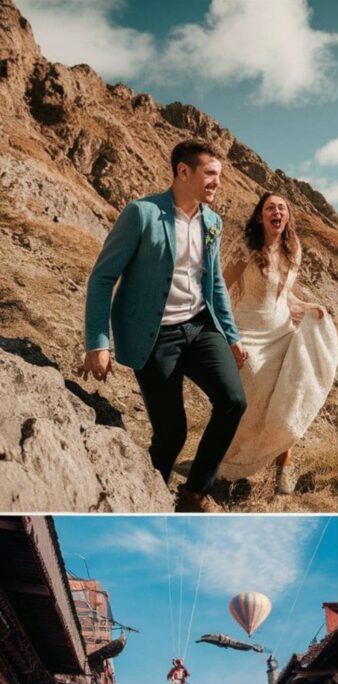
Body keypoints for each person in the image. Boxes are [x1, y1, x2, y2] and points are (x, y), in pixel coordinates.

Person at [82, 138, 248, 513]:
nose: (216, 183)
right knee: (172, 435)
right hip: (155, 336)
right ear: (183, 171)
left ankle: (193, 493)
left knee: (234, 401)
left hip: (200, 326)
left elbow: (215, 282)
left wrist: (231, 335)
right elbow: (102, 277)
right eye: (209, 174)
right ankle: (148, 493)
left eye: (219, 176)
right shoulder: (142, 214)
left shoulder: (212, 222)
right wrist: (97, 342)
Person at [220, 192, 338, 494]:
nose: (276, 212)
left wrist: (311, 307)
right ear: (260, 216)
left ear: (287, 217)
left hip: (282, 330)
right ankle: (230, 462)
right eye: (270, 207)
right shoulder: (247, 248)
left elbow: (285, 295)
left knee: (291, 393)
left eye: (281, 208)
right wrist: (228, 333)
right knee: (252, 395)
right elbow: (221, 287)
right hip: (248, 331)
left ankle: (283, 467)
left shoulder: (293, 249)